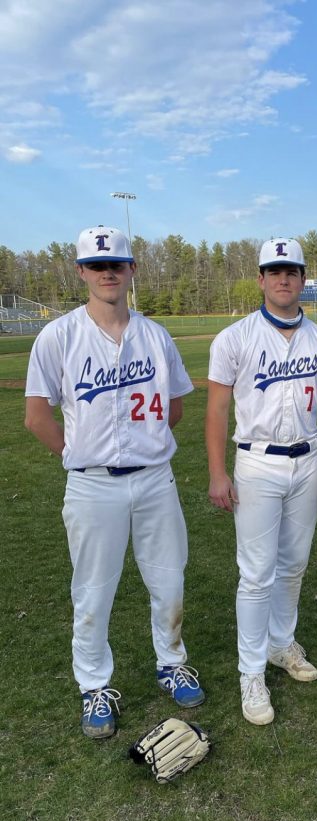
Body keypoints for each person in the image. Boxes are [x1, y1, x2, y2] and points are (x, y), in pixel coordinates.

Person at [24, 225, 204, 739]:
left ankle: (172, 664)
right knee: (93, 592)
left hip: (154, 480)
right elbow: (37, 416)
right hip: (91, 485)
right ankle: (94, 687)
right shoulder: (58, 336)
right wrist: (79, 454)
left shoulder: (155, 335)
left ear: (131, 270)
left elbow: (174, 409)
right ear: (81, 271)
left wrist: (142, 447)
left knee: (169, 581)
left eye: (117, 264)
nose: (108, 272)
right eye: (97, 265)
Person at [206, 238, 317, 725]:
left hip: (307, 460)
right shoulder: (234, 338)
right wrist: (217, 471)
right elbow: (218, 409)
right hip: (257, 462)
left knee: (293, 564)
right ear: (261, 279)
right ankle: (250, 671)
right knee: (256, 573)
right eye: (274, 270)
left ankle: (281, 643)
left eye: (291, 270)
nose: (284, 278)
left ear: (302, 277)